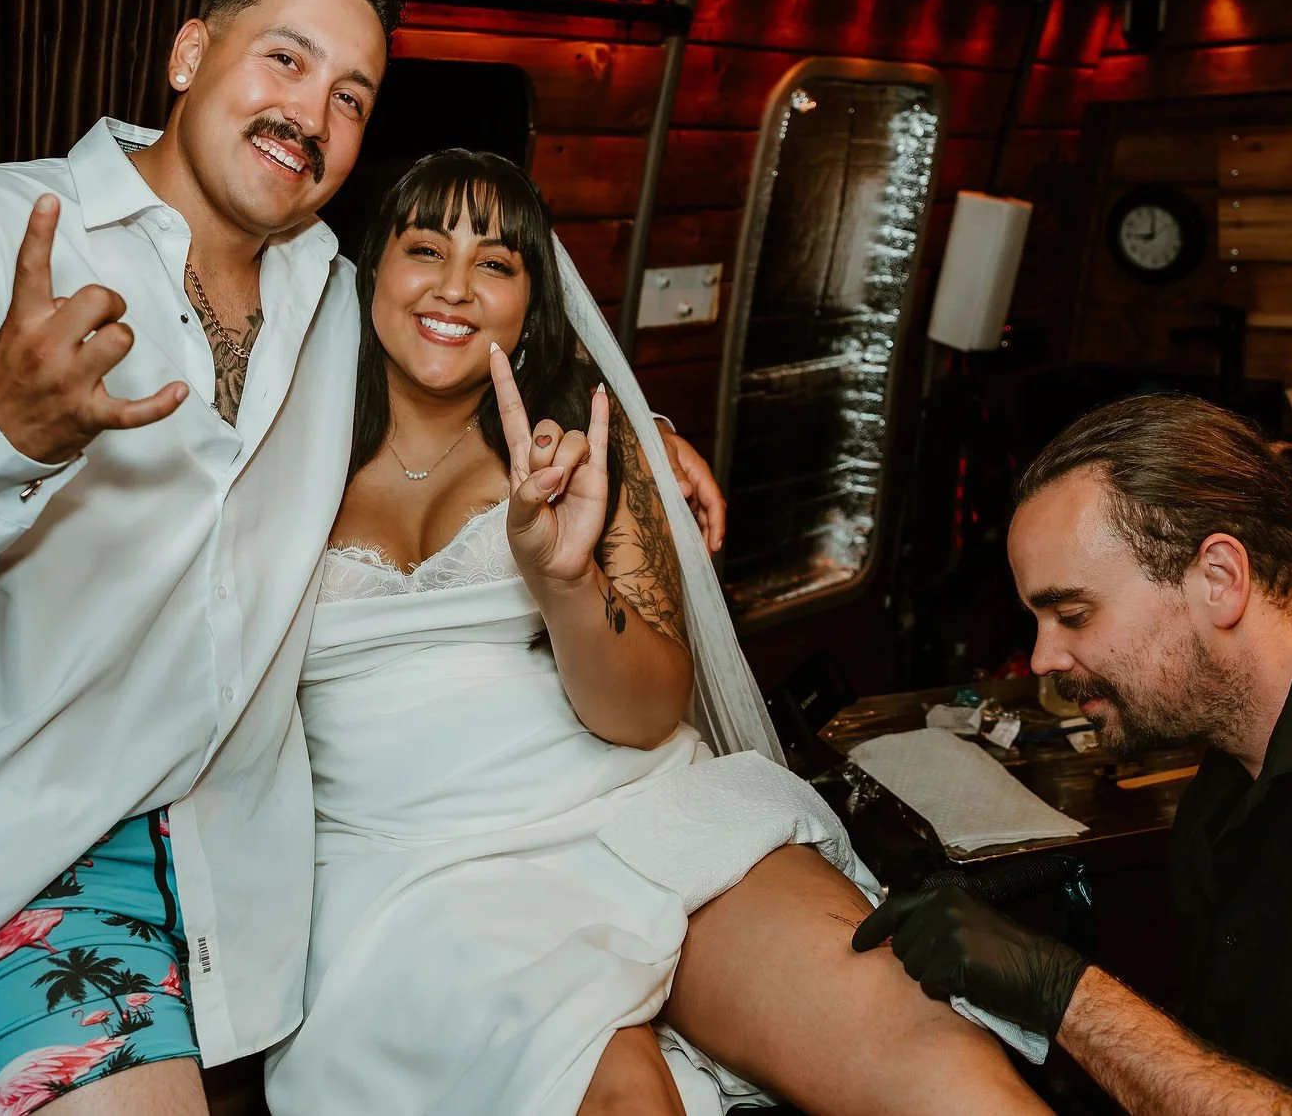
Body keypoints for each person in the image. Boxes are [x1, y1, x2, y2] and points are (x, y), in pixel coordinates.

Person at [0, 0, 722, 1116]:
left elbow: (468, 371)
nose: (308, 113)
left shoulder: (337, 300)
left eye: (349, 95)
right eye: (283, 59)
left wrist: (647, 438)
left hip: (256, 852)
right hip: (33, 852)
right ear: (188, 53)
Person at [252, 149, 1047, 1116]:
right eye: (426, 247)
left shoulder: (578, 442)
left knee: (919, 1042)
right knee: (622, 1096)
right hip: (412, 870)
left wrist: (564, 578)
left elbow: (643, 711)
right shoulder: (274, 432)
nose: (454, 286)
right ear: (369, 266)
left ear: (532, 301)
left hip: (635, 809)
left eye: (497, 263)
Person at [855, 395, 1292, 1114]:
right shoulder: (1222, 791)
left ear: (1220, 578)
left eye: (1072, 614)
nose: (1042, 657)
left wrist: (1064, 993)